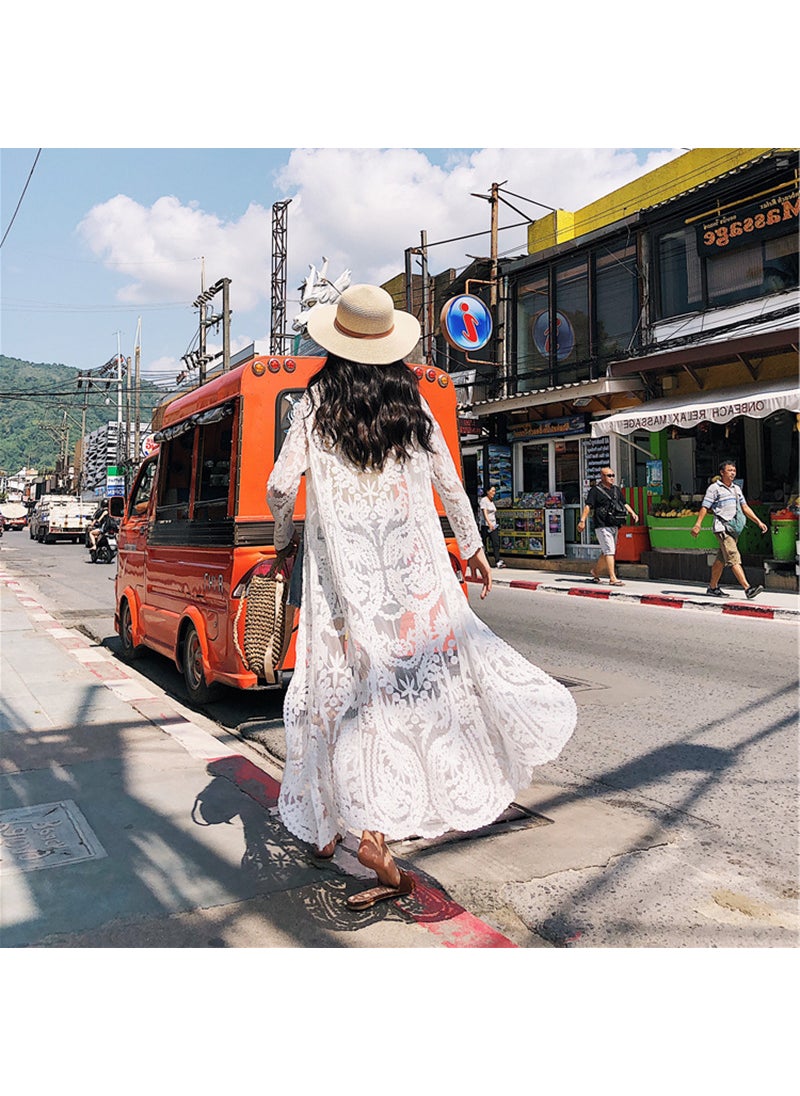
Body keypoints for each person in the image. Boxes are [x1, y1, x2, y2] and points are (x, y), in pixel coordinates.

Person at [267, 284, 577, 911]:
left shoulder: (313, 405)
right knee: (395, 700)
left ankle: (349, 830)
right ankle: (357, 829)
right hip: (410, 582)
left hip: (342, 585)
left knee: (341, 696)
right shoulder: (410, 402)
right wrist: (472, 546)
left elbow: (279, 486)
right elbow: (449, 483)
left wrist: (283, 538)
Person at [691, 460, 767, 599]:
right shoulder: (714, 488)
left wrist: (758, 522)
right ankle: (748, 588)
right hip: (722, 528)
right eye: (729, 470)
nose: (732, 473)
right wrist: (698, 524)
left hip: (733, 528)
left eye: (734, 470)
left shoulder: (736, 489)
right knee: (733, 556)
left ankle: (712, 587)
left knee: (721, 560)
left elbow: (745, 508)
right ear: (722, 472)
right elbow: (705, 507)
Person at [577, 466, 638, 586]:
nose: (612, 478)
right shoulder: (595, 490)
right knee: (610, 551)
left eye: (613, 475)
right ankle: (613, 577)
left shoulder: (616, 490)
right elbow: (588, 506)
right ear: (602, 477)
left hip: (614, 523)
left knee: (607, 551)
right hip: (602, 524)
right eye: (609, 476)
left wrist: (632, 513)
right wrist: (582, 520)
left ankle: (595, 572)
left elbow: (624, 503)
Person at [479, 485, 505, 568]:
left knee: (496, 543)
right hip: (485, 525)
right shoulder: (484, 500)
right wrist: (488, 523)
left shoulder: (491, 501)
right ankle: (484, 561)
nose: (494, 493)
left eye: (494, 491)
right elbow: (484, 512)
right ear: (487, 492)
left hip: (493, 525)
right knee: (484, 544)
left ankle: (497, 560)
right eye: (492, 491)